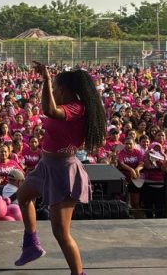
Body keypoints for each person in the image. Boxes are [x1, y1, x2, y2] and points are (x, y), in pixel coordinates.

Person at [15, 63, 106, 275]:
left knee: (61, 233)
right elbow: (49, 110)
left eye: (55, 87)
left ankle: (79, 274)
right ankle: (31, 244)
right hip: (46, 165)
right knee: (23, 196)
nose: (53, 91)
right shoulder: (69, 106)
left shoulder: (77, 108)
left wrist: (46, 78)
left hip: (63, 171)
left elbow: (49, 109)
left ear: (64, 89)